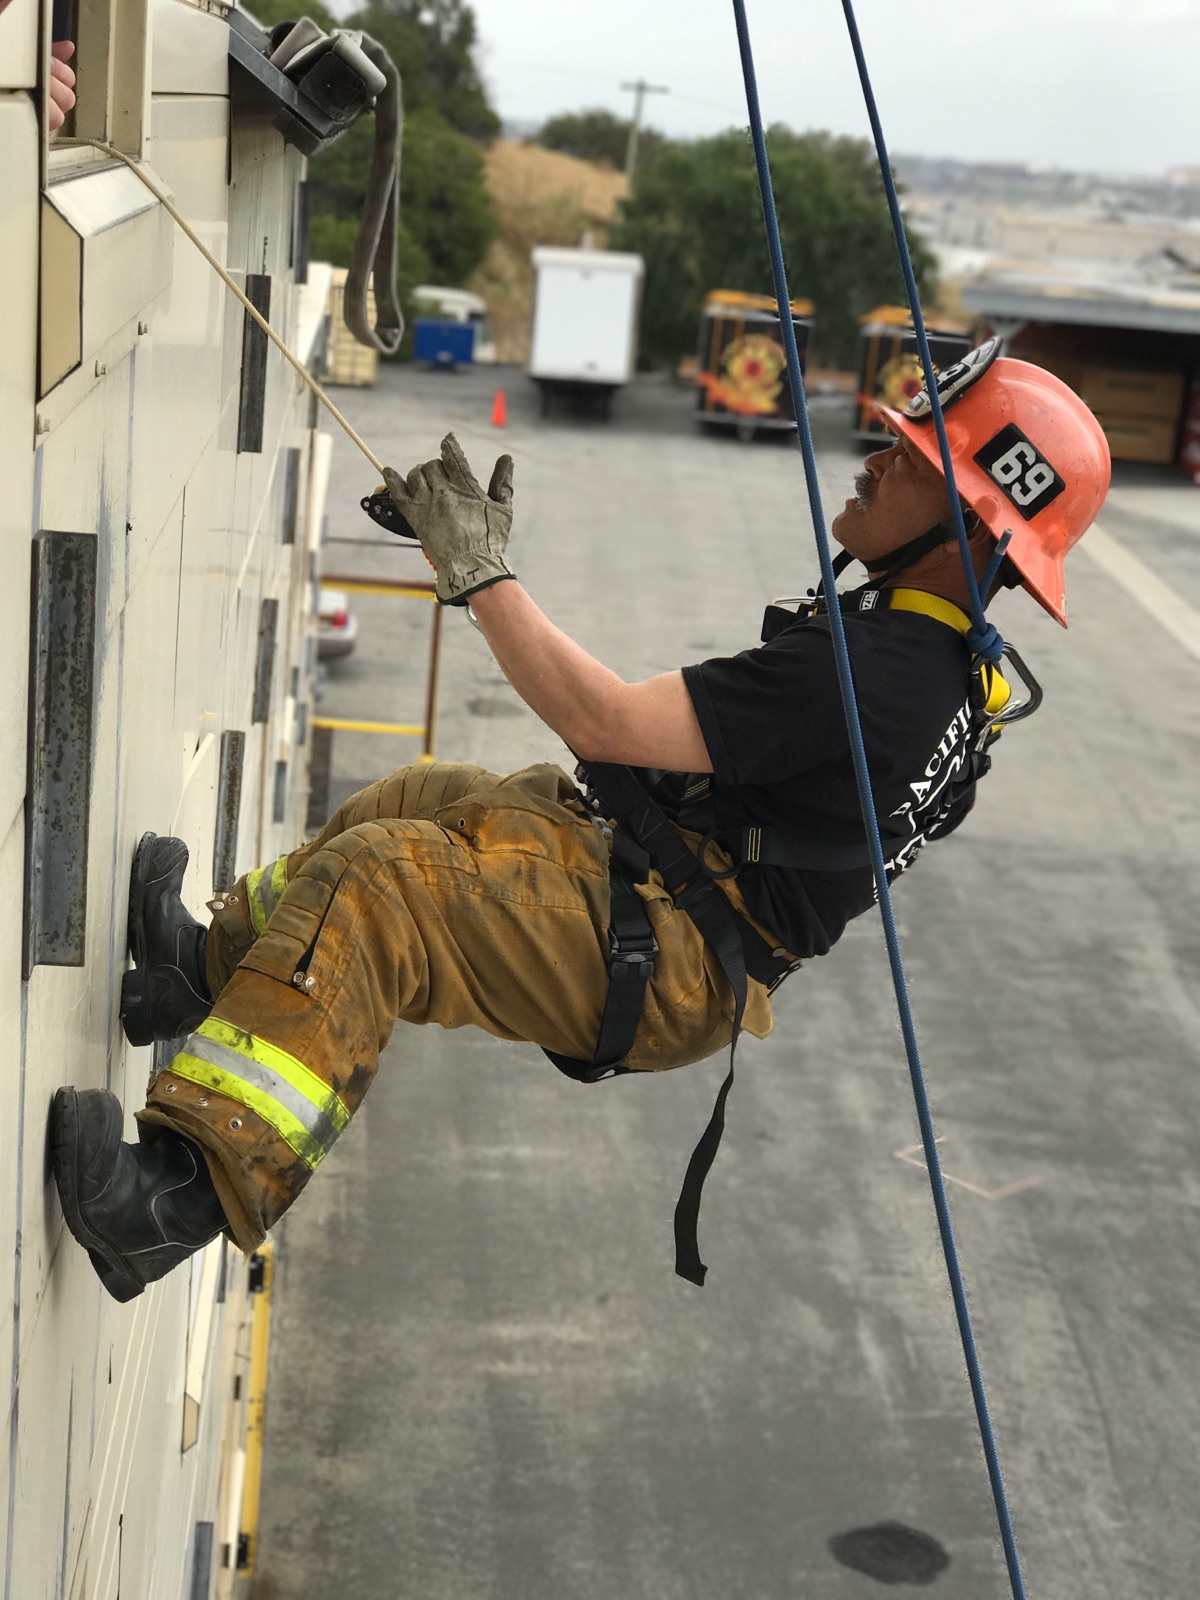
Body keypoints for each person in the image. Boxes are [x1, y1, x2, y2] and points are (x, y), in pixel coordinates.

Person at [52, 341, 1111, 1301]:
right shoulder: (952, 672)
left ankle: (170, 1203)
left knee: (384, 885)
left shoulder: (876, 674)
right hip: (681, 900)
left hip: (678, 946)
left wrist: (478, 571)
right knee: (427, 799)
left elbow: (604, 721)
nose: (875, 458)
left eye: (911, 459)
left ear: (972, 530)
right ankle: (201, 969)